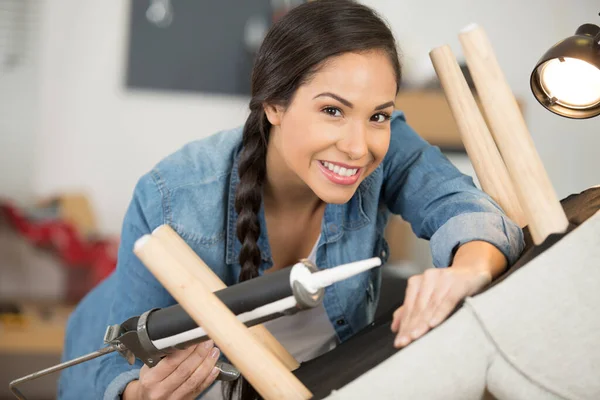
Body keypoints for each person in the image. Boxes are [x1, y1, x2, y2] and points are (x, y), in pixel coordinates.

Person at [57, 1, 524, 399]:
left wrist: (467, 271)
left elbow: (466, 209)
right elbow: (115, 367)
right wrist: (138, 391)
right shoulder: (173, 194)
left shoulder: (390, 147)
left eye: (377, 115)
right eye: (332, 110)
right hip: (94, 355)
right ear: (274, 105)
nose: (359, 147)